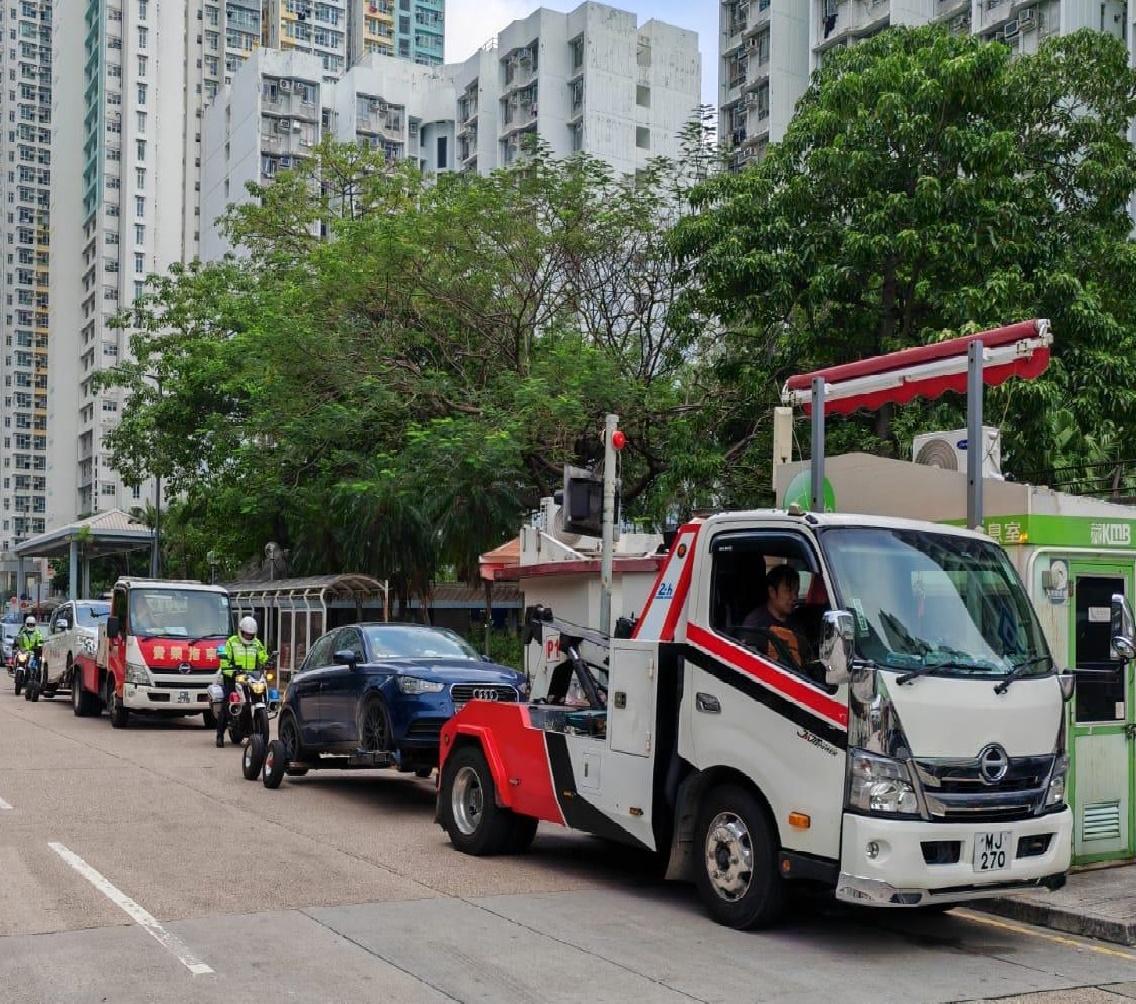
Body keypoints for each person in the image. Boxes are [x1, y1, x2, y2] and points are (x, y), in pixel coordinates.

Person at [739, 564, 811, 671]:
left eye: (796, 592)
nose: (794, 597)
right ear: (772, 592)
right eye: (788, 591)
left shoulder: (797, 623)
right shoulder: (755, 625)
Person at [215, 615, 268, 748]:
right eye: (246, 634)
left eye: (251, 635)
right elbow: (225, 659)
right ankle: (220, 735)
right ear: (241, 631)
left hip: (251, 677)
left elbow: (262, 656)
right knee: (228, 702)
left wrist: (268, 660)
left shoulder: (256, 643)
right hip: (234, 677)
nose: (249, 636)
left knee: (258, 697)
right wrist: (230, 670)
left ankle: (255, 731)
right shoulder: (232, 642)